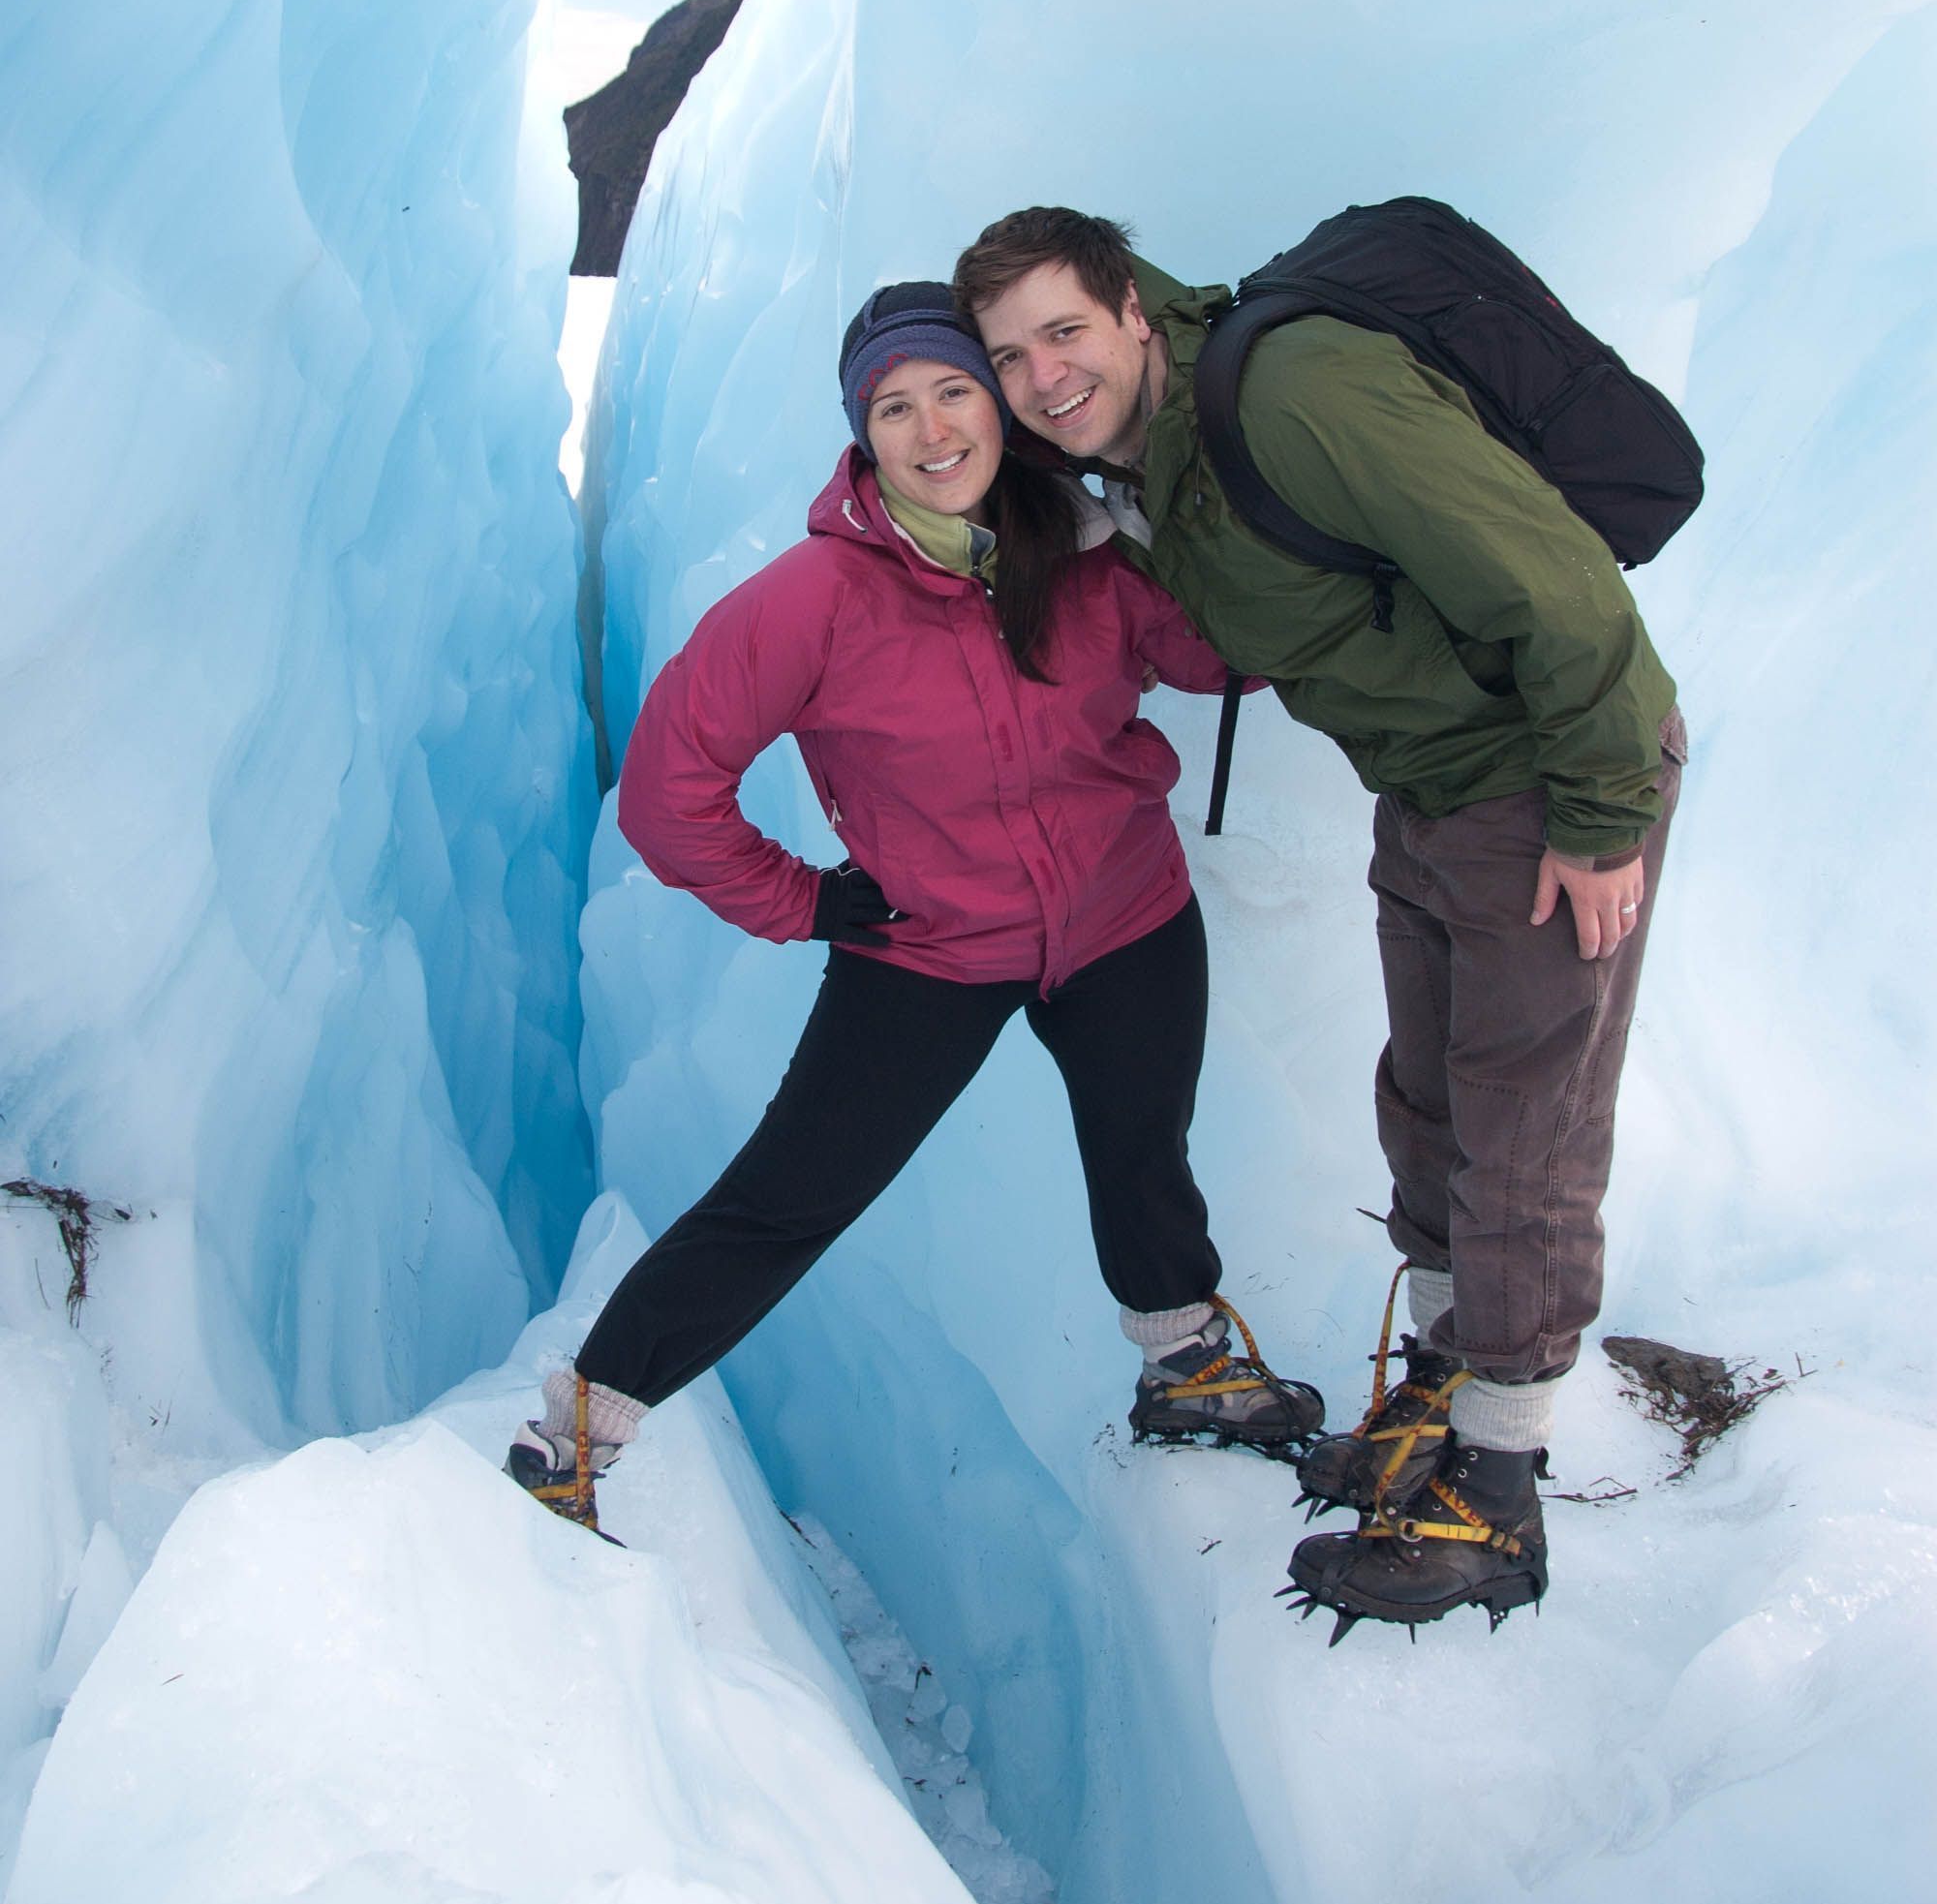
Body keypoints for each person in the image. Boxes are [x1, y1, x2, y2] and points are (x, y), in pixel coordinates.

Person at [953, 210, 1685, 1637]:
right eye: (1009, 356)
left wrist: (1600, 814)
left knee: (1523, 1128)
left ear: (1132, 314)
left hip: (1548, 774)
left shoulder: (1292, 395)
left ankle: (1498, 1485)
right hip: (1434, 787)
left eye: (1064, 332)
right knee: (1432, 1105)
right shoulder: (1148, 465)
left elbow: (1555, 584)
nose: (1042, 377)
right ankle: (1440, 1391)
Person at [506, 283, 1321, 1533]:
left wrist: (1225, 536)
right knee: (793, 1193)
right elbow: (670, 796)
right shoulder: (811, 600)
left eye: (953, 392)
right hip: (931, 948)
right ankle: (578, 1429)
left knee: (1143, 1157)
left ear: (998, 409)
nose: (931, 428)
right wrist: (804, 900)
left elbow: (1219, 657)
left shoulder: (1089, 558)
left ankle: (1185, 1367)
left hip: (1126, 915)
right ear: (862, 434)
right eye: (894, 407)